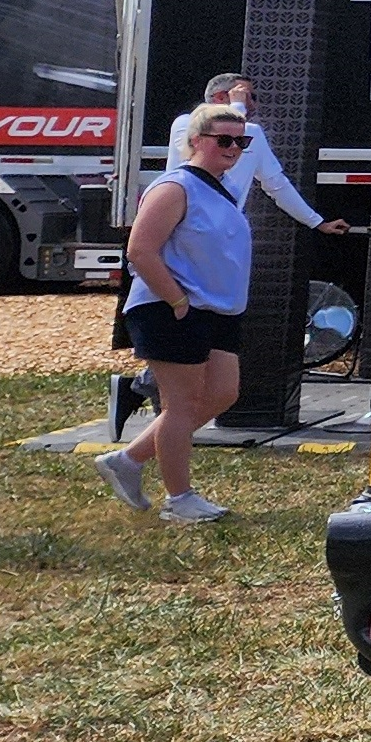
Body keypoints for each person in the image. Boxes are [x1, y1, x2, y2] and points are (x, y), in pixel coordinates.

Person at [94, 103, 260, 525]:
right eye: (224, 140)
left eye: (241, 141)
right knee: (180, 404)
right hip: (173, 309)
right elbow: (140, 251)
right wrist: (177, 301)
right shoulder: (175, 187)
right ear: (196, 141)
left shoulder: (220, 187)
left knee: (223, 393)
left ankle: (128, 461)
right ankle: (180, 499)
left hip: (217, 311)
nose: (234, 148)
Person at [167, 72, 351, 240]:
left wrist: (317, 222)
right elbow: (202, 160)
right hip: (184, 229)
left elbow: (276, 184)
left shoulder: (253, 133)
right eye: (248, 96)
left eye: (241, 142)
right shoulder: (185, 124)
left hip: (226, 233)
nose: (253, 105)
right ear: (221, 97)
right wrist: (237, 106)